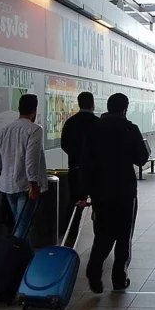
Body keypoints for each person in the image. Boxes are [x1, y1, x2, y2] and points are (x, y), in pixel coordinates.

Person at [82, 93, 150, 293]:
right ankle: (119, 277)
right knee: (124, 234)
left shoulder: (94, 129)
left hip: (100, 190)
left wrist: (83, 192)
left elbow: (86, 162)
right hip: (125, 190)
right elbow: (142, 159)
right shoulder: (130, 128)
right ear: (124, 109)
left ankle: (94, 268)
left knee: (103, 232)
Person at [0, 94, 48, 240]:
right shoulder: (34, 130)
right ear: (34, 111)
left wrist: (5, 172)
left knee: (20, 222)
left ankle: (24, 256)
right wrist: (33, 185)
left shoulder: (4, 130)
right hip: (26, 186)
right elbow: (32, 159)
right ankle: (14, 255)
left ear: (19, 109)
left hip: (7, 186)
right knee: (22, 225)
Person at [59, 92, 99, 225]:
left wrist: (77, 156)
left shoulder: (70, 122)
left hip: (76, 169)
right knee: (98, 205)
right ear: (92, 104)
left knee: (75, 204)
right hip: (95, 172)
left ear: (79, 103)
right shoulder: (98, 123)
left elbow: (64, 144)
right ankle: (98, 235)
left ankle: (70, 235)